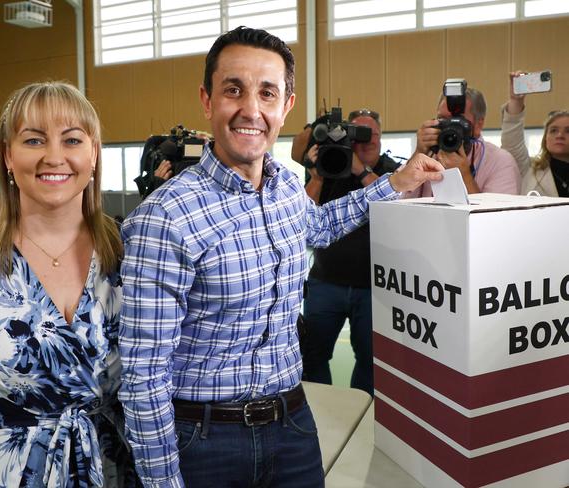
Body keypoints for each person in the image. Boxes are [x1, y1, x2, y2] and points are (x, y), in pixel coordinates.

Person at [119, 26, 443, 488]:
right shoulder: (165, 218)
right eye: (233, 90)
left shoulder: (287, 188)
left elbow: (320, 226)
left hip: (292, 424)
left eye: (267, 93)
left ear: (286, 105)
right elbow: (144, 375)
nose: (251, 109)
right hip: (204, 439)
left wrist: (395, 183)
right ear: (208, 101)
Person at [0, 81, 139, 487]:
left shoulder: (136, 257)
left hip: (117, 471)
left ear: (93, 154)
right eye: (34, 139)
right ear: (7, 156)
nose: (54, 156)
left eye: (72, 139)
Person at [295, 109, 399, 395]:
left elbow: (394, 209)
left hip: (372, 287)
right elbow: (301, 218)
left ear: (380, 137)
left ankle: (363, 415)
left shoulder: (391, 171)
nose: (365, 142)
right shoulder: (330, 167)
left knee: (370, 360)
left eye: (370, 135)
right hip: (325, 283)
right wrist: (316, 176)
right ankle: (321, 412)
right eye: (358, 135)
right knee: (312, 355)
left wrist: (360, 171)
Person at [405, 86, 521, 197]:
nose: (449, 128)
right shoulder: (429, 154)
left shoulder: (501, 162)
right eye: (442, 120)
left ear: (478, 125)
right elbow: (395, 200)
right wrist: (418, 153)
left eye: (457, 121)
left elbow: (495, 216)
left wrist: (463, 174)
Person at [501, 71, 569, 196]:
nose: (560, 135)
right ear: (545, 138)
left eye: (568, 131)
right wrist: (516, 101)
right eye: (553, 130)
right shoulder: (529, 169)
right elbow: (512, 143)